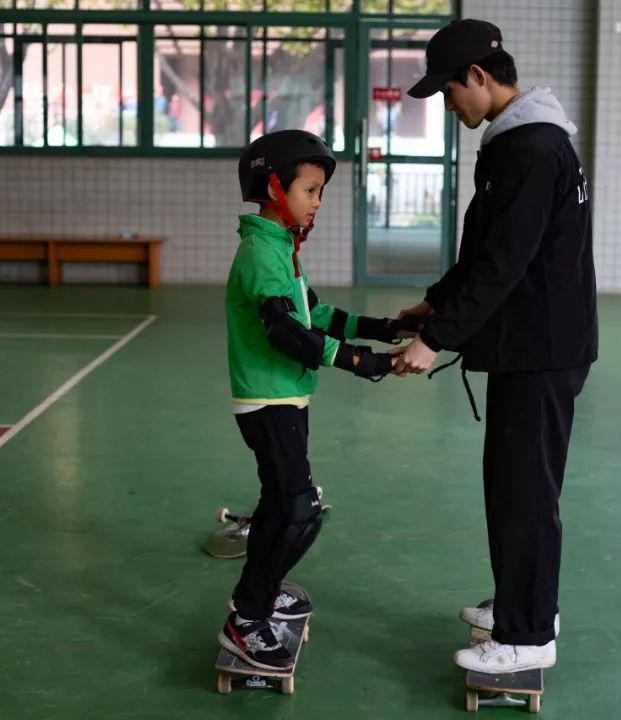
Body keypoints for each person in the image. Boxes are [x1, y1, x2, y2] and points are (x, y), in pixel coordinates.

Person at [398, 19, 598, 674]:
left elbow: (505, 263)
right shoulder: (516, 143)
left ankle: (529, 632)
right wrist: (439, 301)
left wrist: (437, 338)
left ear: (479, 78)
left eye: (450, 92)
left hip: (540, 348)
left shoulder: (534, 150)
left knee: (526, 492)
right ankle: (522, 600)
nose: (449, 106)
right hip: (528, 344)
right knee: (510, 484)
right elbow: (486, 247)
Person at [219, 129, 412, 670]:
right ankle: (248, 617)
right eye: (310, 190)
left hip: (286, 397)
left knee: (283, 506)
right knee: (299, 510)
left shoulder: (281, 246)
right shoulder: (261, 250)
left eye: (321, 191)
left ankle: (262, 593)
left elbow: (316, 315)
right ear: (274, 187)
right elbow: (285, 332)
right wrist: (362, 362)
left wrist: (385, 329)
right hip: (268, 399)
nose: (317, 201)